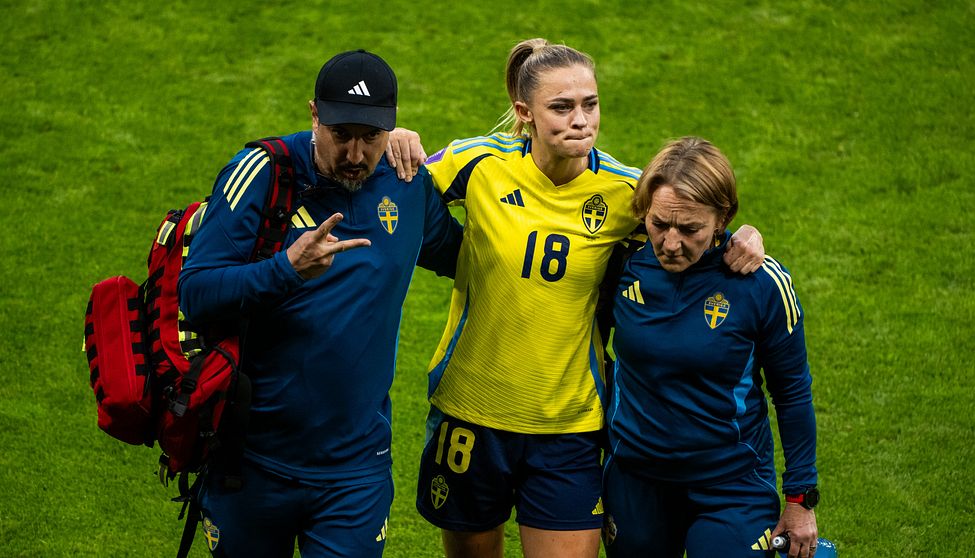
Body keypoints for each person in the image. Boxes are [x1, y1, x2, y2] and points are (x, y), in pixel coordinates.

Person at [388, 39, 766, 558]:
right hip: (471, 410)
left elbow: (692, 228)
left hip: (570, 423)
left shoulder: (625, 191)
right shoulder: (477, 162)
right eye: (562, 107)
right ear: (525, 113)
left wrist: (746, 235)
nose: (581, 120)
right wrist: (399, 141)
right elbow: (399, 185)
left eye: (590, 104)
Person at [177, 50, 462, 558]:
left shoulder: (407, 184)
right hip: (251, 462)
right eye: (340, 133)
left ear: (393, 125)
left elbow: (474, 258)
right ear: (314, 115)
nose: (355, 153)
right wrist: (285, 269)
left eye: (371, 136)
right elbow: (196, 293)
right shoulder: (262, 174)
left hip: (356, 473)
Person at [602, 137, 818, 558]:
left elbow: (792, 393)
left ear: (723, 219)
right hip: (635, 480)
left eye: (690, 229)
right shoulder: (620, 262)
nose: (670, 243)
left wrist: (800, 500)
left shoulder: (761, 284)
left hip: (732, 485)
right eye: (659, 224)